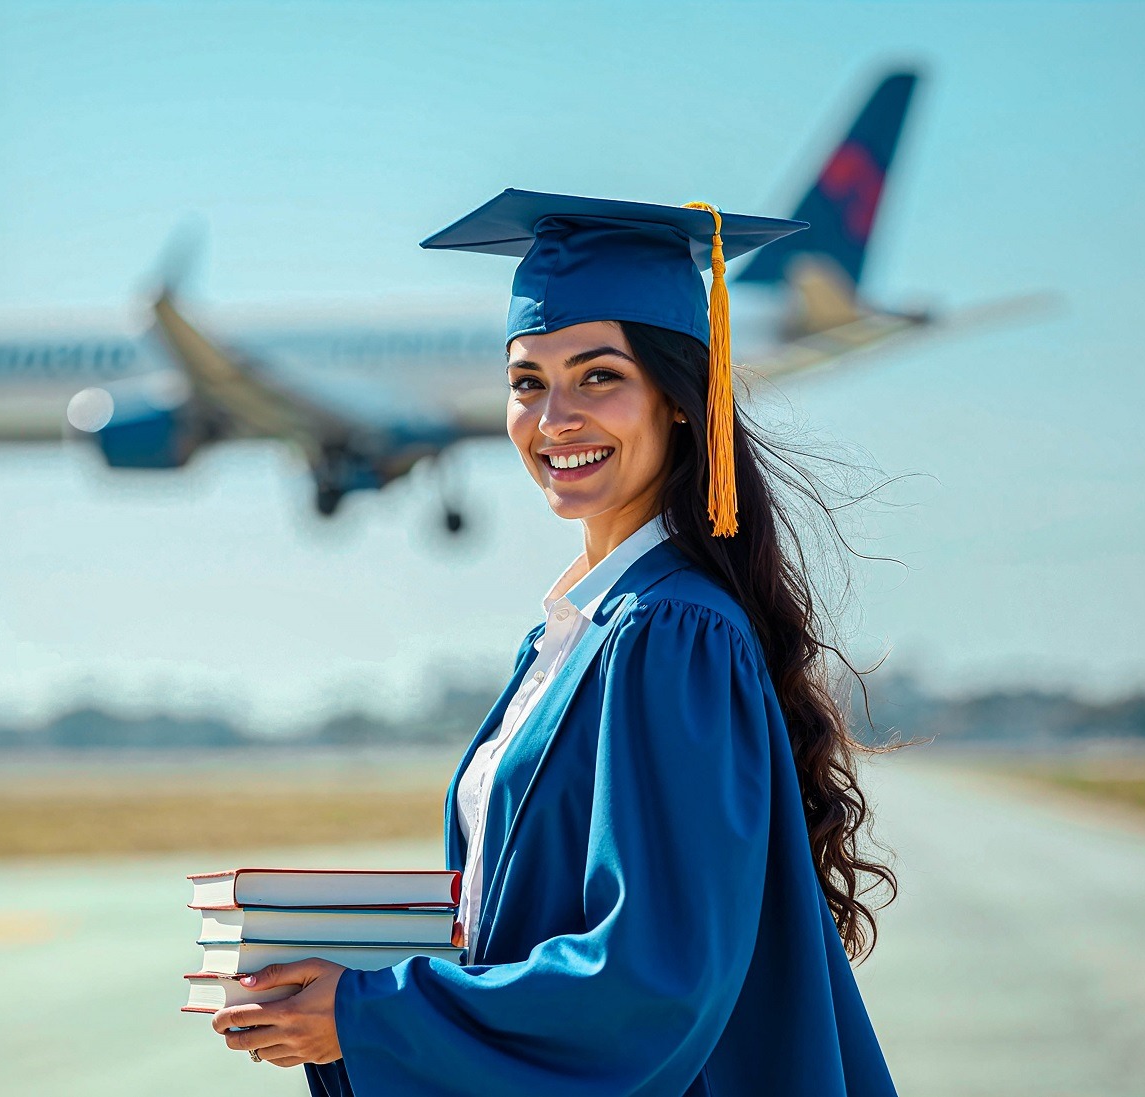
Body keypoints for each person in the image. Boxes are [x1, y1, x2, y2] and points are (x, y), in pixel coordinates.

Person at [209, 189, 900, 1096]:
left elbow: (652, 978)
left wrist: (372, 1013)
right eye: (527, 381)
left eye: (599, 376)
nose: (554, 417)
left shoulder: (669, 633)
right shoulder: (577, 632)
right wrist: (346, 971)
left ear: (680, 400)